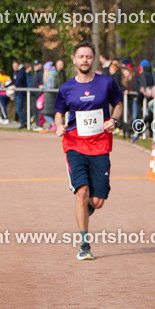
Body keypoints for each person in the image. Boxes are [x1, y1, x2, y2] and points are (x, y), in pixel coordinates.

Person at [54, 41, 123, 261]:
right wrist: (59, 126)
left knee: (97, 202)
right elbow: (59, 112)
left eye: (88, 56)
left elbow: (118, 104)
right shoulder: (66, 88)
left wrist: (114, 119)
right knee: (81, 192)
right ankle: (84, 244)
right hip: (74, 144)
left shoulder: (106, 83)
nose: (85, 60)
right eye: (81, 56)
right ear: (74, 60)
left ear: (93, 59)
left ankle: (85, 207)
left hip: (101, 144)